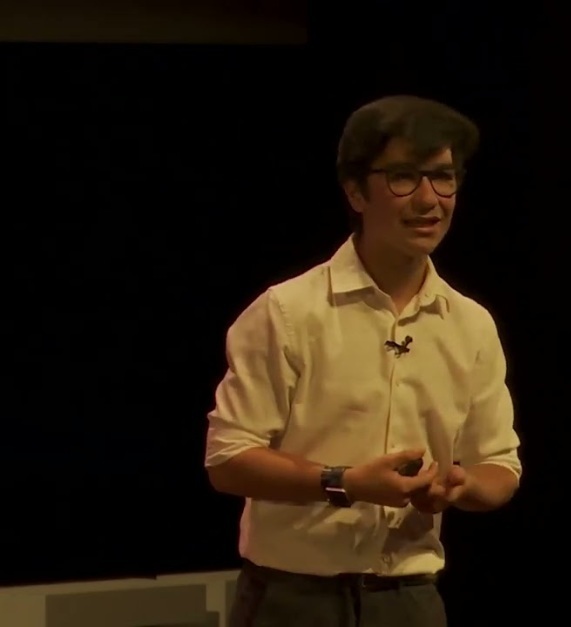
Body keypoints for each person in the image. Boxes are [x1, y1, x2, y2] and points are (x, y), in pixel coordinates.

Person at [204, 95, 523, 627]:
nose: (429, 199)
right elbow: (228, 459)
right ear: (355, 190)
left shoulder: (471, 324)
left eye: (443, 178)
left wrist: (460, 486)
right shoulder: (288, 312)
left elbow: (500, 466)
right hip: (292, 599)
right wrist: (345, 482)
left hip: (410, 600)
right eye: (404, 178)